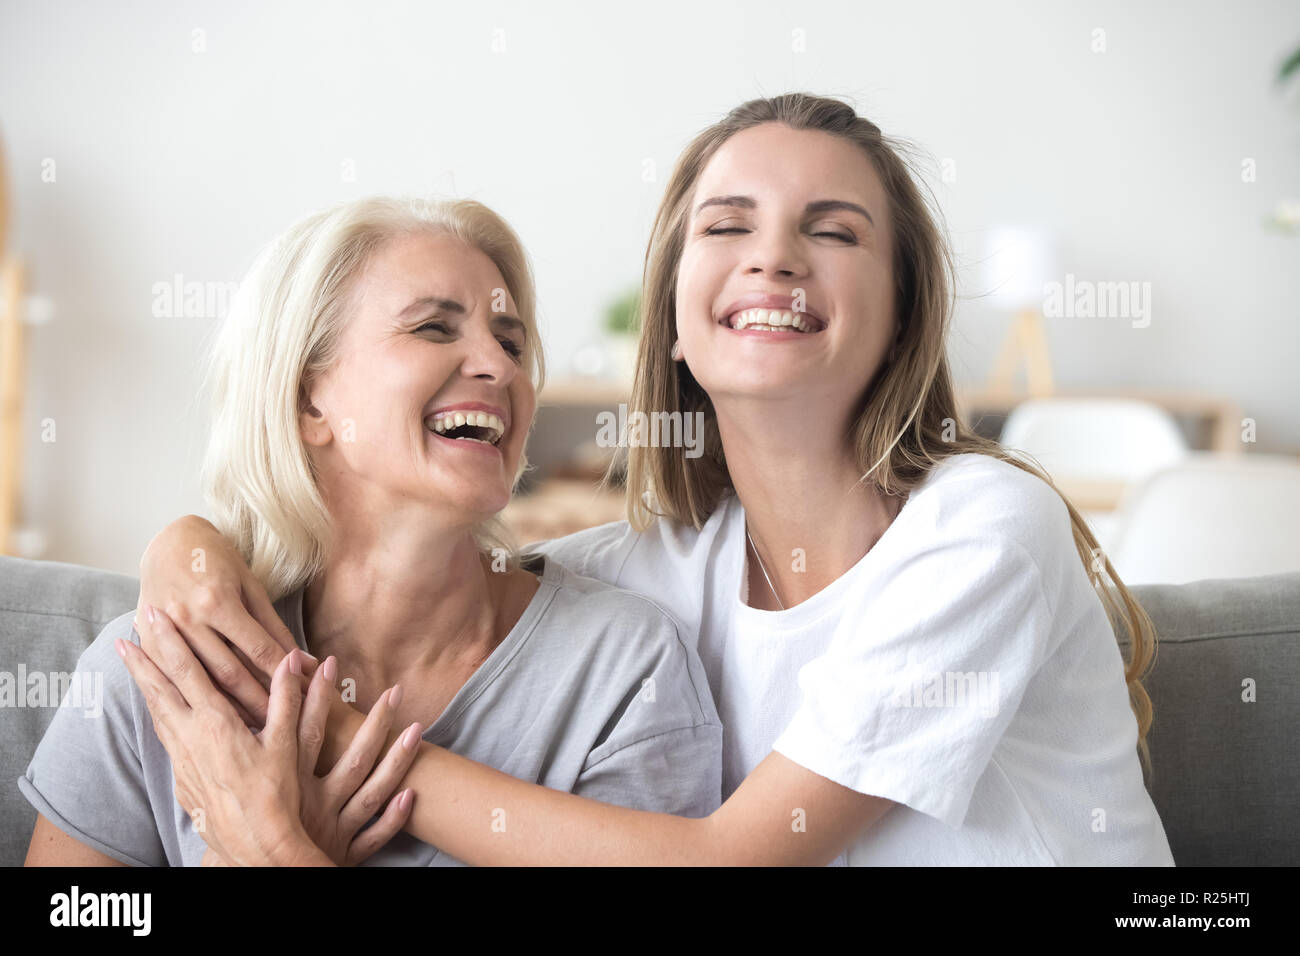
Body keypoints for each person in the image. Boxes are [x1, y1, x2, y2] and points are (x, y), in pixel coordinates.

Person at [120, 93, 1174, 865]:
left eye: (833, 230)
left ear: (902, 308)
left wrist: (329, 742)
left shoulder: (984, 526)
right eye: (727, 225)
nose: (774, 257)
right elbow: (452, 569)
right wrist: (188, 545)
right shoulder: (654, 569)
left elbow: (725, 861)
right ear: (672, 309)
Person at [20, 197, 723, 867]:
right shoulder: (163, 666)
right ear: (307, 401)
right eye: (434, 327)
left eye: (510, 340)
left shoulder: (625, 672)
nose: (499, 365)